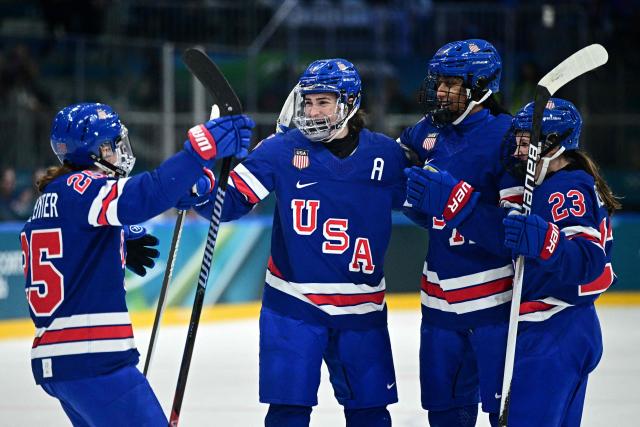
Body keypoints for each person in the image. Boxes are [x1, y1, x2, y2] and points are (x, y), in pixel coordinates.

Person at [180, 58, 418, 427]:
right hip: (293, 305)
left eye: (323, 102)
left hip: (363, 311)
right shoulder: (279, 150)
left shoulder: (386, 155)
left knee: (370, 413)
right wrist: (199, 183)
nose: (312, 110)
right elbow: (226, 206)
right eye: (307, 102)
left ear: (349, 103)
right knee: (288, 413)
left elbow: (423, 210)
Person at [20, 102, 253, 426]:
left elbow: (71, 250)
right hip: (94, 357)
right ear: (98, 150)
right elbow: (146, 195)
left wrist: (123, 240)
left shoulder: (51, 198)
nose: (120, 152)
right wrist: (199, 151)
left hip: (58, 363)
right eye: (114, 145)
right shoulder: (85, 186)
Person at [399, 39, 523, 426]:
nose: (440, 92)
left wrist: (453, 204)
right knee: (445, 411)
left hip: (494, 302)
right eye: (439, 82)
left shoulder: (508, 138)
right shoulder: (426, 131)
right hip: (437, 302)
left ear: (482, 86)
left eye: (452, 83)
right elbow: (384, 167)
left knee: (504, 413)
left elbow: (513, 233)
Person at [500, 98, 618, 426]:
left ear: (551, 145)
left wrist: (545, 242)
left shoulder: (565, 188)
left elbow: (586, 260)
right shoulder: (565, 183)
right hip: (571, 327)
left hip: (552, 330)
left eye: (525, 142)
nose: (517, 151)